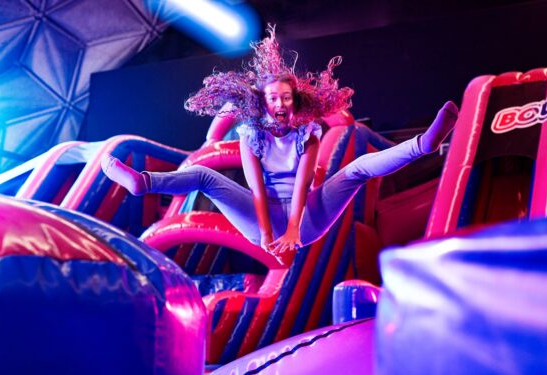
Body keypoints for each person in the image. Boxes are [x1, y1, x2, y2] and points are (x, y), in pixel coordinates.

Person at [101, 25, 458, 261]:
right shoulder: (250, 136)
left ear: (295, 101)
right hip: (263, 218)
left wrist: (293, 229)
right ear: (263, 102)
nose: (281, 104)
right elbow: (256, 189)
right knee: (204, 177)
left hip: (307, 217)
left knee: (356, 170)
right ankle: (143, 182)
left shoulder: (308, 133)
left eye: (287, 97)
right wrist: (268, 234)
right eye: (274, 98)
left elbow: (303, 184)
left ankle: (423, 144)